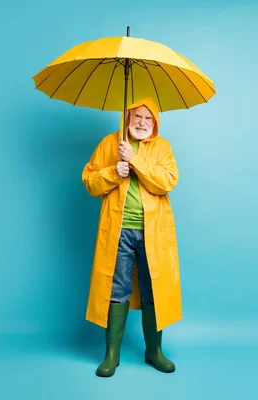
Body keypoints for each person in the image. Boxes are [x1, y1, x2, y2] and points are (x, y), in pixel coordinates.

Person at [81, 97, 182, 377]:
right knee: (117, 288)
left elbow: (166, 182)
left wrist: (134, 160)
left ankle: (154, 351)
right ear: (127, 118)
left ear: (155, 122)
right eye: (137, 116)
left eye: (148, 118)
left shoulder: (162, 148)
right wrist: (113, 171)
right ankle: (111, 355)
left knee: (155, 289)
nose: (142, 122)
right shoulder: (108, 144)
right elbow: (90, 182)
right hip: (119, 231)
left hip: (153, 233)